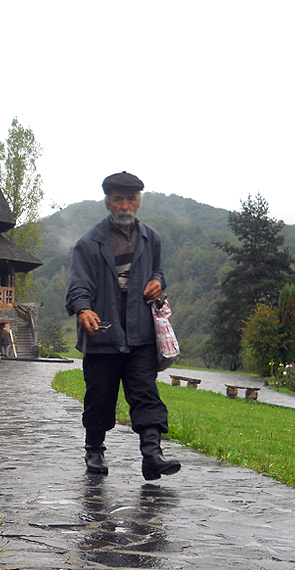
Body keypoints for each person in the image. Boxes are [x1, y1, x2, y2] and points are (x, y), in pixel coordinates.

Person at [65, 171, 181, 480]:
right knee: (100, 395)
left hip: (141, 333)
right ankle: (94, 451)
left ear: (139, 202)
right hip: (103, 333)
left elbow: (157, 270)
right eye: (118, 199)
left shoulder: (151, 238)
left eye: (131, 199)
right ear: (108, 203)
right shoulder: (89, 243)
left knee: (145, 393)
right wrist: (83, 310)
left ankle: (152, 455)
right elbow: (79, 286)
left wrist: (158, 281)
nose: (125, 205)